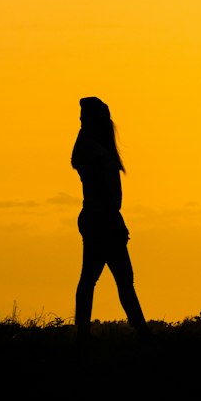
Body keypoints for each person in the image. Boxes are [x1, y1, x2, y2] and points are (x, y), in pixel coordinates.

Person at [72, 96, 147, 333]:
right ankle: (142, 332)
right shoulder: (96, 152)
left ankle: (84, 333)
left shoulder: (90, 149)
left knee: (94, 279)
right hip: (103, 220)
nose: (81, 121)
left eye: (85, 117)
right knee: (120, 280)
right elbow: (111, 196)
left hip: (97, 219)